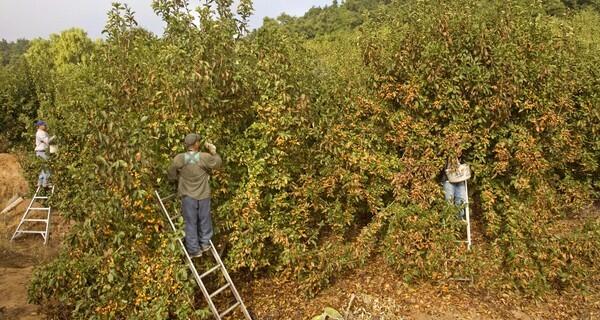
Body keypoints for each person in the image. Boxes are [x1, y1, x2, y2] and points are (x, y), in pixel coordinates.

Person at [168, 133, 222, 258]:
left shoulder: (179, 158)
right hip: (203, 195)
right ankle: (205, 244)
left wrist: (176, 179)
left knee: (190, 222)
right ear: (196, 144)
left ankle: (194, 250)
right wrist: (214, 152)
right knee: (205, 220)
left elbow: (171, 172)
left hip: (188, 196)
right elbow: (218, 163)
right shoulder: (204, 157)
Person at [440, 146, 469, 220]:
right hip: (448, 180)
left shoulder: (462, 151)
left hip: (460, 179)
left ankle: (459, 221)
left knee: (461, 200)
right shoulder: (444, 151)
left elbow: (465, 163)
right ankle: (449, 222)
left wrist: (460, 155)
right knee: (448, 201)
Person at [34, 120, 54, 188]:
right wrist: (55, 137)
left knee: (44, 167)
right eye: (43, 125)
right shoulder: (40, 133)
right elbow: (47, 141)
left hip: (42, 152)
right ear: (39, 126)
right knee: (46, 167)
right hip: (42, 152)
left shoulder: (43, 132)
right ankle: (46, 183)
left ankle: (39, 182)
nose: (45, 126)